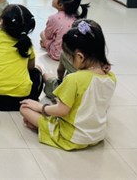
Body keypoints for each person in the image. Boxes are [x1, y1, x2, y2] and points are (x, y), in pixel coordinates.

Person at [20, 20, 116, 151]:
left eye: (70, 58)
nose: (70, 61)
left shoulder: (75, 79)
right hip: (97, 135)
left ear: (80, 57)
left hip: (72, 136)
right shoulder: (111, 77)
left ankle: (44, 129)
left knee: (25, 108)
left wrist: (41, 107)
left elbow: (62, 111)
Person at [41, 0, 90, 99]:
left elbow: (48, 35)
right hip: (73, 53)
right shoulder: (80, 20)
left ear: (60, 5)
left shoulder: (54, 18)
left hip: (57, 52)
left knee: (42, 34)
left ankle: (45, 44)